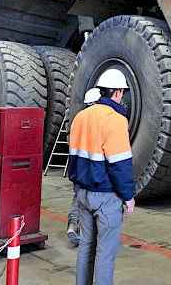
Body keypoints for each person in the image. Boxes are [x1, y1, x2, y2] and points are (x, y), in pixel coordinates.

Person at [68, 69, 135, 285]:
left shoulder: (81, 117)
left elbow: (74, 157)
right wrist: (128, 196)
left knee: (85, 248)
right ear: (117, 93)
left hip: (83, 193)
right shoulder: (115, 120)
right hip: (105, 196)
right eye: (122, 92)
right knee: (105, 254)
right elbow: (120, 165)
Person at [67, 87, 102, 246]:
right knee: (96, 200)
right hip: (94, 165)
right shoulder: (99, 118)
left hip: (78, 164)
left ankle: (73, 224)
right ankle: (90, 232)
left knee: (78, 196)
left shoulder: (78, 118)